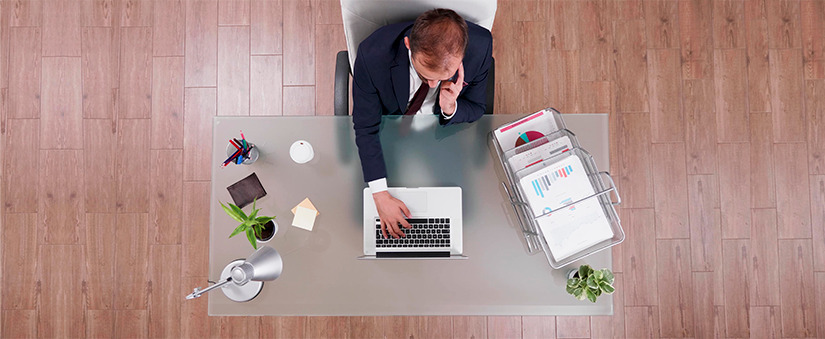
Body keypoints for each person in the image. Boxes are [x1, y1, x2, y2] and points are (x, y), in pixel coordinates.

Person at [352, 8, 493, 239]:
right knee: (361, 218)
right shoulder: (373, 55)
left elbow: (477, 107)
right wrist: (379, 195)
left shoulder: (480, 46)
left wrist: (451, 108)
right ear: (408, 44)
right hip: (390, 130)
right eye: (425, 74)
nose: (433, 82)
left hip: (442, 131)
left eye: (441, 77)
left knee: (465, 216)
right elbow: (366, 127)